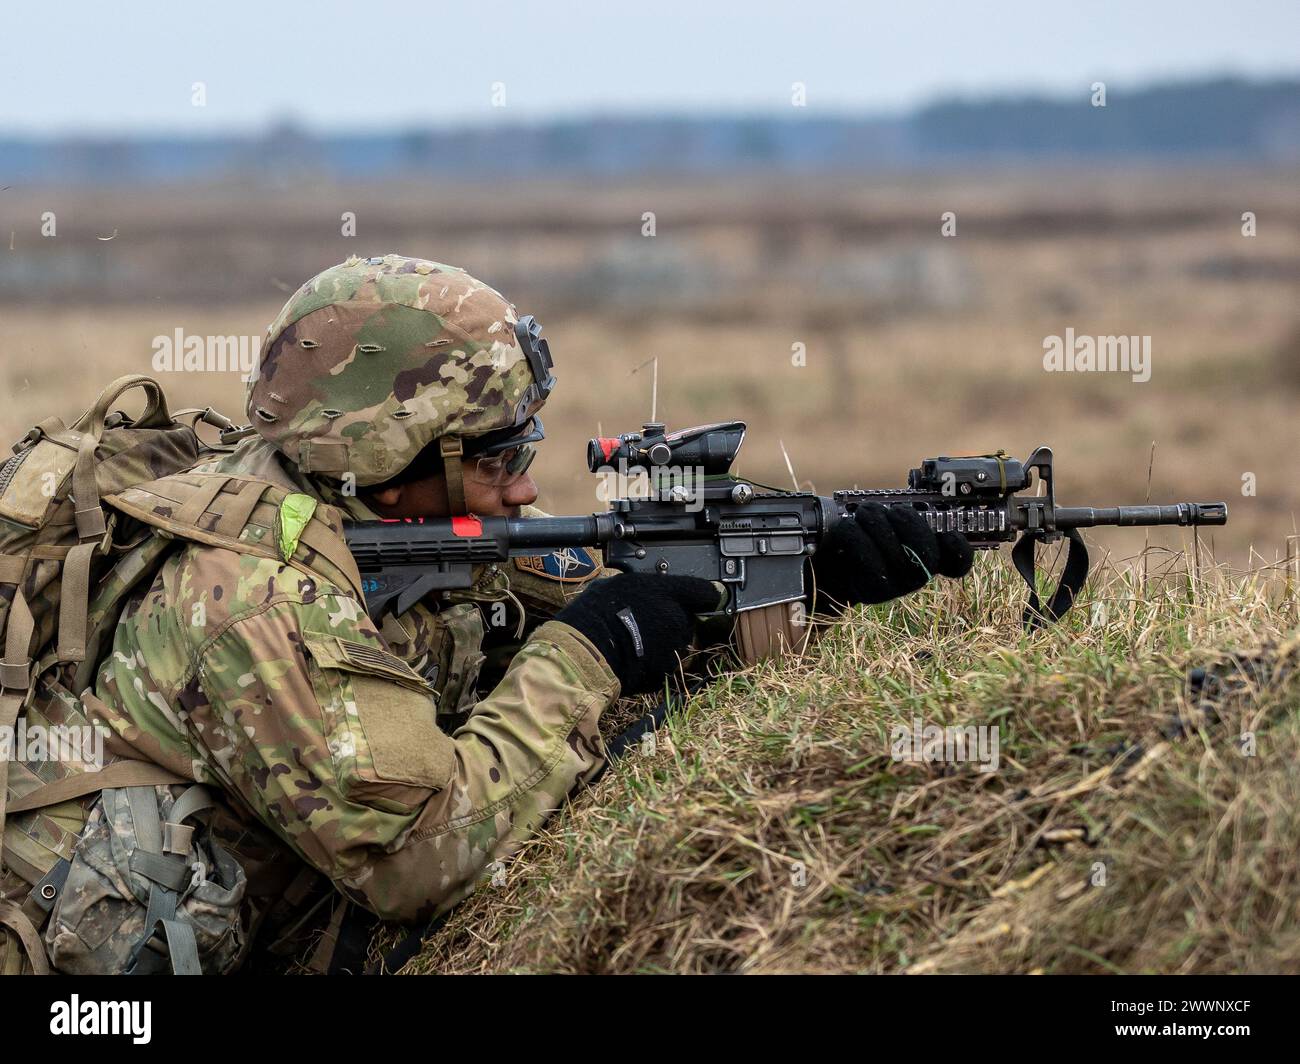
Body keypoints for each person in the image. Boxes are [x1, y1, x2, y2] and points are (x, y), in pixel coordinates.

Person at [86, 253, 972, 964]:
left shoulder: (366, 506)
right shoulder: (253, 600)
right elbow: (415, 862)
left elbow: (614, 587)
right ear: (397, 461)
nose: (526, 486)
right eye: (499, 457)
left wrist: (805, 572)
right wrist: (585, 658)